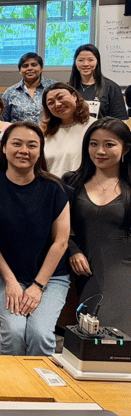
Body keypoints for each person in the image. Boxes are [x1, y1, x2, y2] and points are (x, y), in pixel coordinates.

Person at [0, 121, 70, 356]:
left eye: (32, 145)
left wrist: (38, 286)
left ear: (40, 151)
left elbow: (61, 242)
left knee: (40, 333)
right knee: (14, 331)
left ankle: (41, 380)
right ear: (4, 147)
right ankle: (11, 381)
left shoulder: (55, 188)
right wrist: (10, 281)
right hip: (9, 273)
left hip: (51, 276)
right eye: (17, 144)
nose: (24, 151)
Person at [64, 118, 131, 335]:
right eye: (94, 144)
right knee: (92, 333)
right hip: (86, 268)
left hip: (124, 267)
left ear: (125, 149)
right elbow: (58, 227)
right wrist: (73, 251)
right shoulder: (71, 182)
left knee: (116, 333)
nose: (100, 151)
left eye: (109, 144)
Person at [42, 82, 96, 178]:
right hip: (53, 185)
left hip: (85, 185)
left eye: (60, 97)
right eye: (51, 103)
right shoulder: (45, 133)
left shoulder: (95, 126)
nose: (57, 104)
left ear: (74, 96)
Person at [68, 44, 127, 120]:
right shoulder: (68, 88)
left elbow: (120, 119)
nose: (85, 64)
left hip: (102, 127)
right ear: (75, 62)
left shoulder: (111, 88)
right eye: (81, 60)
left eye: (90, 60)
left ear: (97, 62)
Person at [1, 52, 55, 124]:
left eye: (34, 65)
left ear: (41, 68)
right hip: (19, 131)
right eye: (25, 66)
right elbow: (3, 121)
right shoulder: (10, 93)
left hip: (49, 130)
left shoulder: (53, 87)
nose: (30, 68)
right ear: (20, 71)